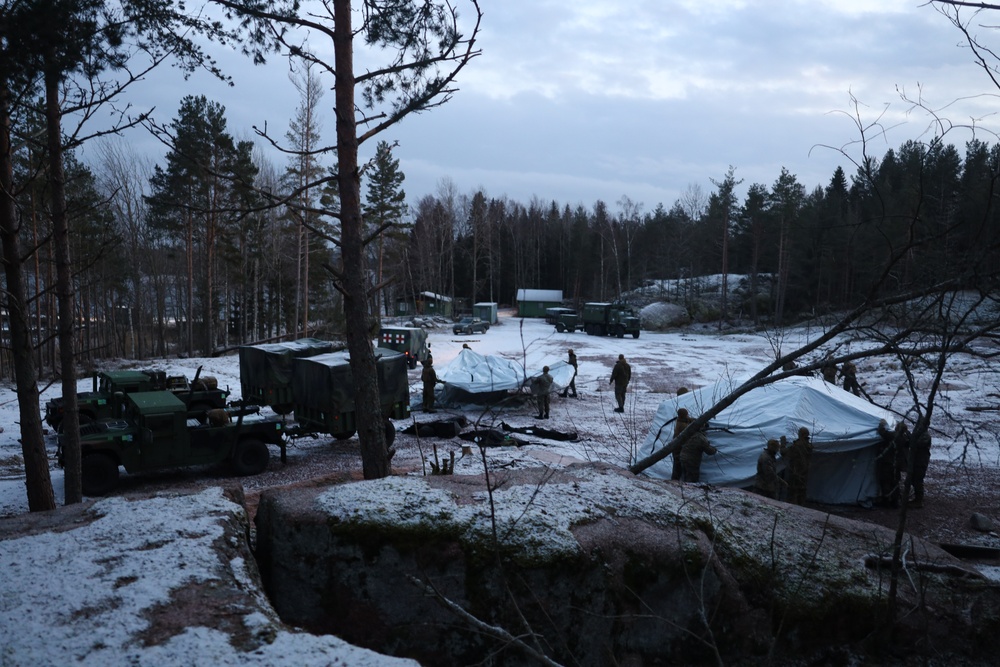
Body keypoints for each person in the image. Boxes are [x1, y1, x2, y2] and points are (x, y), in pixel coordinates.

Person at [783, 427, 814, 505]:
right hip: (804, 473)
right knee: (802, 492)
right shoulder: (809, 446)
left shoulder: (797, 446)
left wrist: (782, 444)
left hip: (795, 472)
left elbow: (784, 453)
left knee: (792, 492)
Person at [876, 420, 901, 507]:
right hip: (896, 464)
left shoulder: (895, 436)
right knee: (895, 482)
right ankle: (895, 501)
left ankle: (886, 501)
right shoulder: (904, 437)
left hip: (889, 463)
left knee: (886, 481)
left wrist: (881, 424)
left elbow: (882, 432)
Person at [909, 418, 932, 508]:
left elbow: (916, 444)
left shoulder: (925, 435)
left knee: (918, 480)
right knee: (914, 479)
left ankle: (919, 500)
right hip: (916, 460)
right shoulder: (920, 434)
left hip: (921, 461)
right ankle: (916, 498)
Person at [671, 407, 694, 481]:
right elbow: (692, 429)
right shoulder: (682, 425)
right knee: (678, 466)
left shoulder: (680, 421)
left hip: (677, 447)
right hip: (678, 448)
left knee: (677, 465)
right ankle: (675, 480)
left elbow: (689, 420)